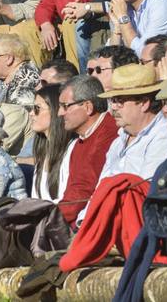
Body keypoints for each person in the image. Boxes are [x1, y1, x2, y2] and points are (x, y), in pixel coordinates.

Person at [95, 63, 167, 183]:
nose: (113, 106)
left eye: (119, 101)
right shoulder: (119, 139)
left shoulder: (164, 136)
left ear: (144, 103)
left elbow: (144, 191)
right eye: (112, 100)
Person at [55, 74, 118, 225]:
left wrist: (49, 217)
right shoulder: (79, 142)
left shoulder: (110, 135)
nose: (59, 113)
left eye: (65, 106)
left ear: (88, 107)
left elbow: (83, 194)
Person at [29, 83, 73, 203]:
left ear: (55, 110)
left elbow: (67, 201)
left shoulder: (71, 151)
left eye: (37, 108)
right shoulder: (43, 151)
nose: (31, 113)